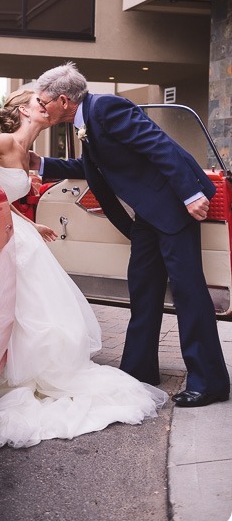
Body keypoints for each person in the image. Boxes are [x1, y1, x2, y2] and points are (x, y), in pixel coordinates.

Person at [0, 88, 167, 449]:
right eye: (37, 103)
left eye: (45, 103)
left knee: (35, 310)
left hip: (19, 234)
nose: (45, 107)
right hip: (4, 238)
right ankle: (5, 375)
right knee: (20, 310)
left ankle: (31, 373)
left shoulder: (26, 153)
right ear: (23, 111)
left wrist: (29, 224)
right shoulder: (1, 141)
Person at [31, 62, 230, 408]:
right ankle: (139, 372)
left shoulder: (107, 107)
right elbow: (93, 167)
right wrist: (42, 165)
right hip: (148, 216)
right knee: (143, 288)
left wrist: (191, 194)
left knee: (188, 293)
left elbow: (158, 144)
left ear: (63, 100)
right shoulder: (87, 120)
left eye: (42, 102)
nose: (39, 107)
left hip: (173, 206)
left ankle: (210, 381)